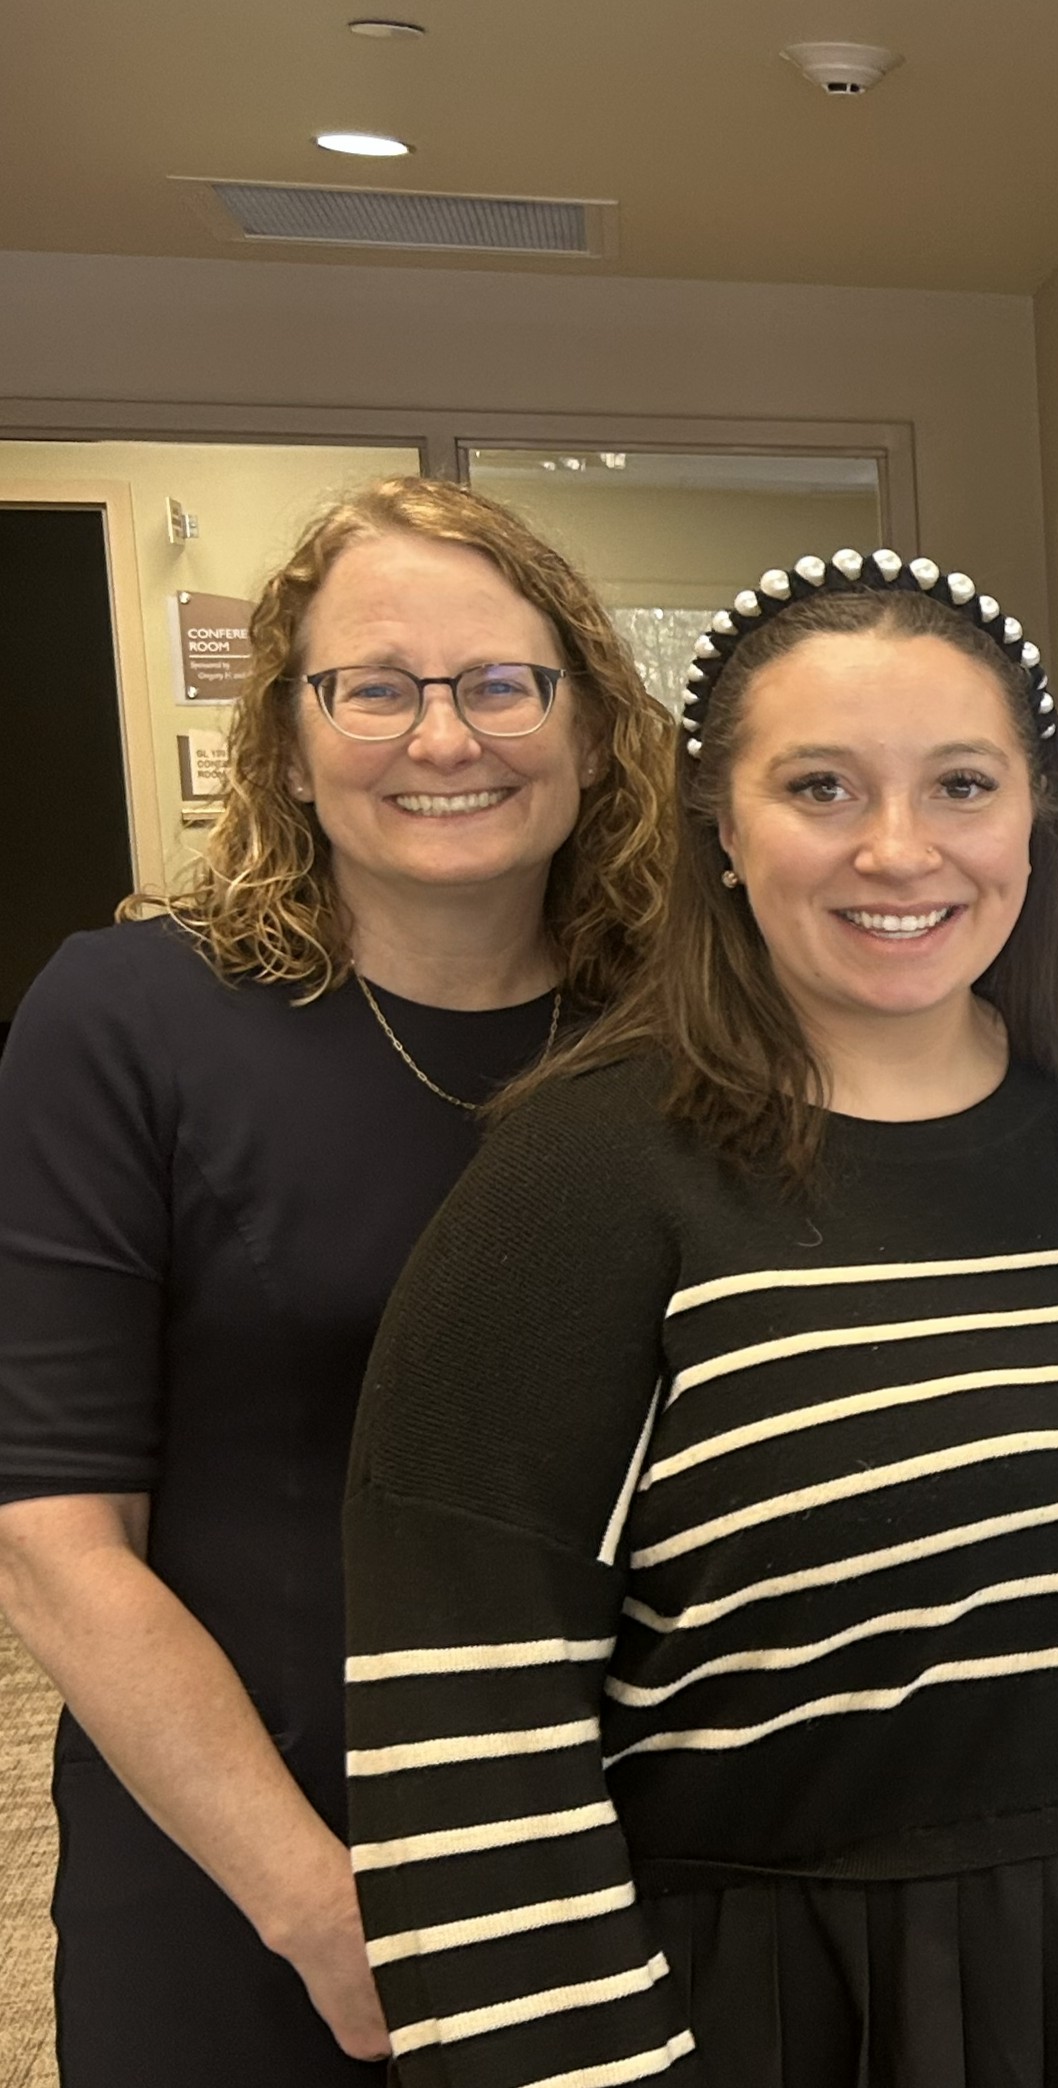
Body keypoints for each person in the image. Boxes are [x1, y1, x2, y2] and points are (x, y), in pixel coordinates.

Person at [338, 549, 1058, 2085]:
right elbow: (466, 1737)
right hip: (801, 2005)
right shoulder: (581, 1178)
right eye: (820, 787)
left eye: (962, 786)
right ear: (720, 826)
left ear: (1036, 811)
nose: (900, 852)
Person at [0, 478, 671, 2084]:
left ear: (589, 729)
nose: (445, 739)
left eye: (503, 684)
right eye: (373, 687)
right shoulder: (130, 1020)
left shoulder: (676, 1040)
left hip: (629, 1837)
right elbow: (53, 1542)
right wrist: (322, 1908)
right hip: (253, 1862)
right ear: (288, 743)